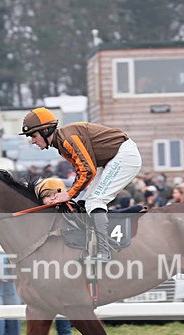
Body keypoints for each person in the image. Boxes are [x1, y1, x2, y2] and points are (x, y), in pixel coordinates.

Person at [21, 107, 142, 262]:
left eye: (34, 135)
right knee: (83, 203)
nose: (32, 140)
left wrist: (69, 193)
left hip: (124, 156)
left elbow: (88, 171)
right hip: (110, 160)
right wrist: (73, 195)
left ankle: (104, 253)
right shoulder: (61, 145)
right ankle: (90, 246)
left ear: (45, 130)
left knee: (96, 201)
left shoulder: (67, 139)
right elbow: (82, 172)